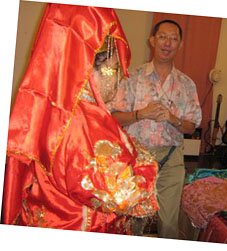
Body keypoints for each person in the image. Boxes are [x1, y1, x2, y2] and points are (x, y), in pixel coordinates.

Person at [1, 3, 159, 234]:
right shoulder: (84, 120)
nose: (119, 80)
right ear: (91, 68)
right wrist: (148, 165)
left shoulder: (53, 108)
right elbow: (122, 194)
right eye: (115, 69)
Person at [108, 19, 202, 238]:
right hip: (137, 159)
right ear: (152, 40)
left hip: (171, 159)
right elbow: (113, 118)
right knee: (133, 222)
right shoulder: (132, 77)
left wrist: (172, 118)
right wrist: (140, 114)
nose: (167, 43)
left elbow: (191, 126)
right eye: (162, 37)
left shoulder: (187, 84)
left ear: (180, 44)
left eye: (173, 38)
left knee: (169, 224)